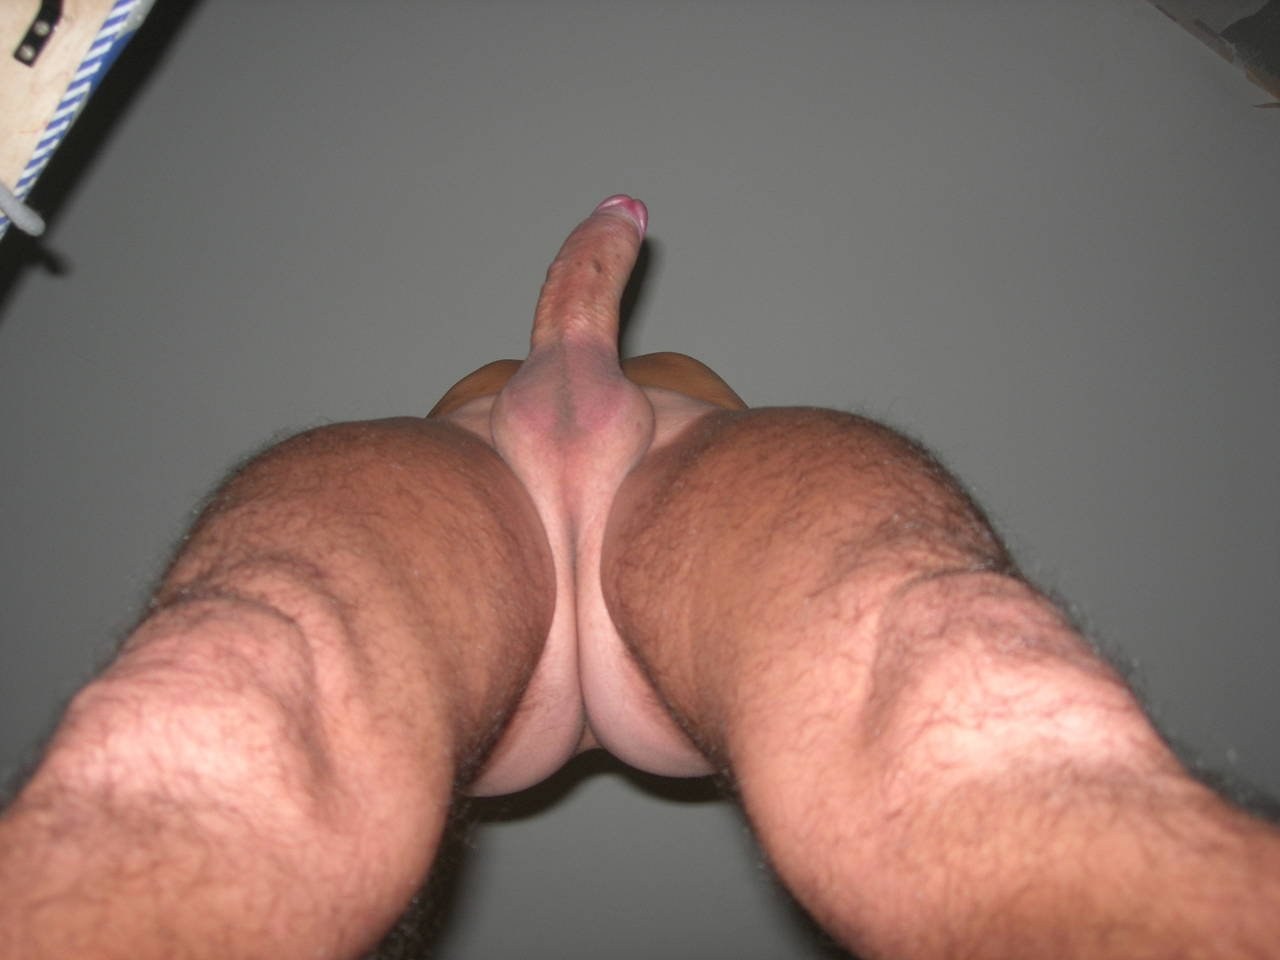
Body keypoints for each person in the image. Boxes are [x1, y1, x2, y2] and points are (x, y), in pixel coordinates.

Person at [0, 196, 1277, 960]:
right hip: (605, 479)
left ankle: (529, 418)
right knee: (957, 660)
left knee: (223, 685)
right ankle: (621, 415)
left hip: (520, 482)